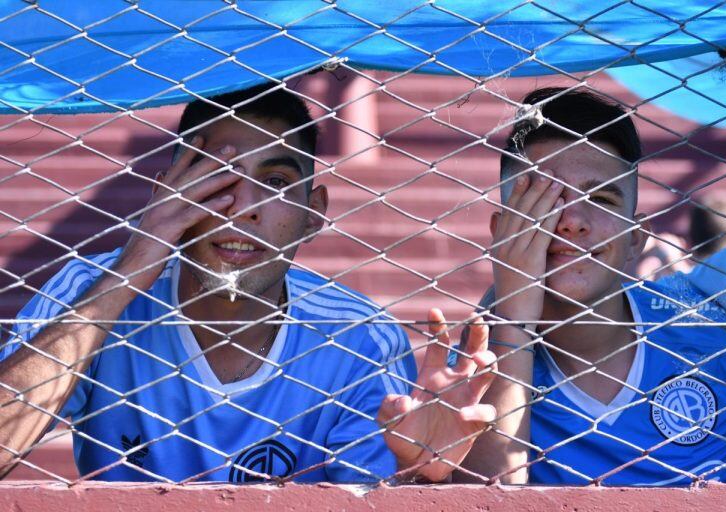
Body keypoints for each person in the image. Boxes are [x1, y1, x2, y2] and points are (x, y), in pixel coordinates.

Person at [0, 84, 497, 483]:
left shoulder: (361, 336)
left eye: (276, 182)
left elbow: (378, 489)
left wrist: (418, 475)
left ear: (312, 212)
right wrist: (137, 261)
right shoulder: (90, 287)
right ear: (166, 196)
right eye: (218, 177)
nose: (244, 208)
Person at [459, 87, 726, 486]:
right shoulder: (477, 356)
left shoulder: (712, 325)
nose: (571, 221)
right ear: (502, 233)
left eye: (601, 199)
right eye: (544, 198)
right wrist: (513, 318)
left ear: (636, 238)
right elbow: (491, 494)